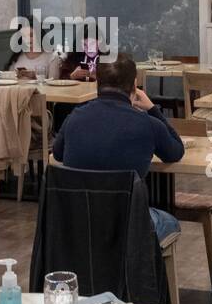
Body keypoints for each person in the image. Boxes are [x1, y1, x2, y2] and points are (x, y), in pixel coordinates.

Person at [51, 54, 184, 244]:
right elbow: (176, 151)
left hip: (77, 222)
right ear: (135, 85)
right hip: (129, 223)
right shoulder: (148, 123)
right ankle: (142, 271)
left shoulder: (75, 117)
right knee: (169, 222)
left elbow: (57, 153)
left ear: (97, 80)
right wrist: (153, 109)